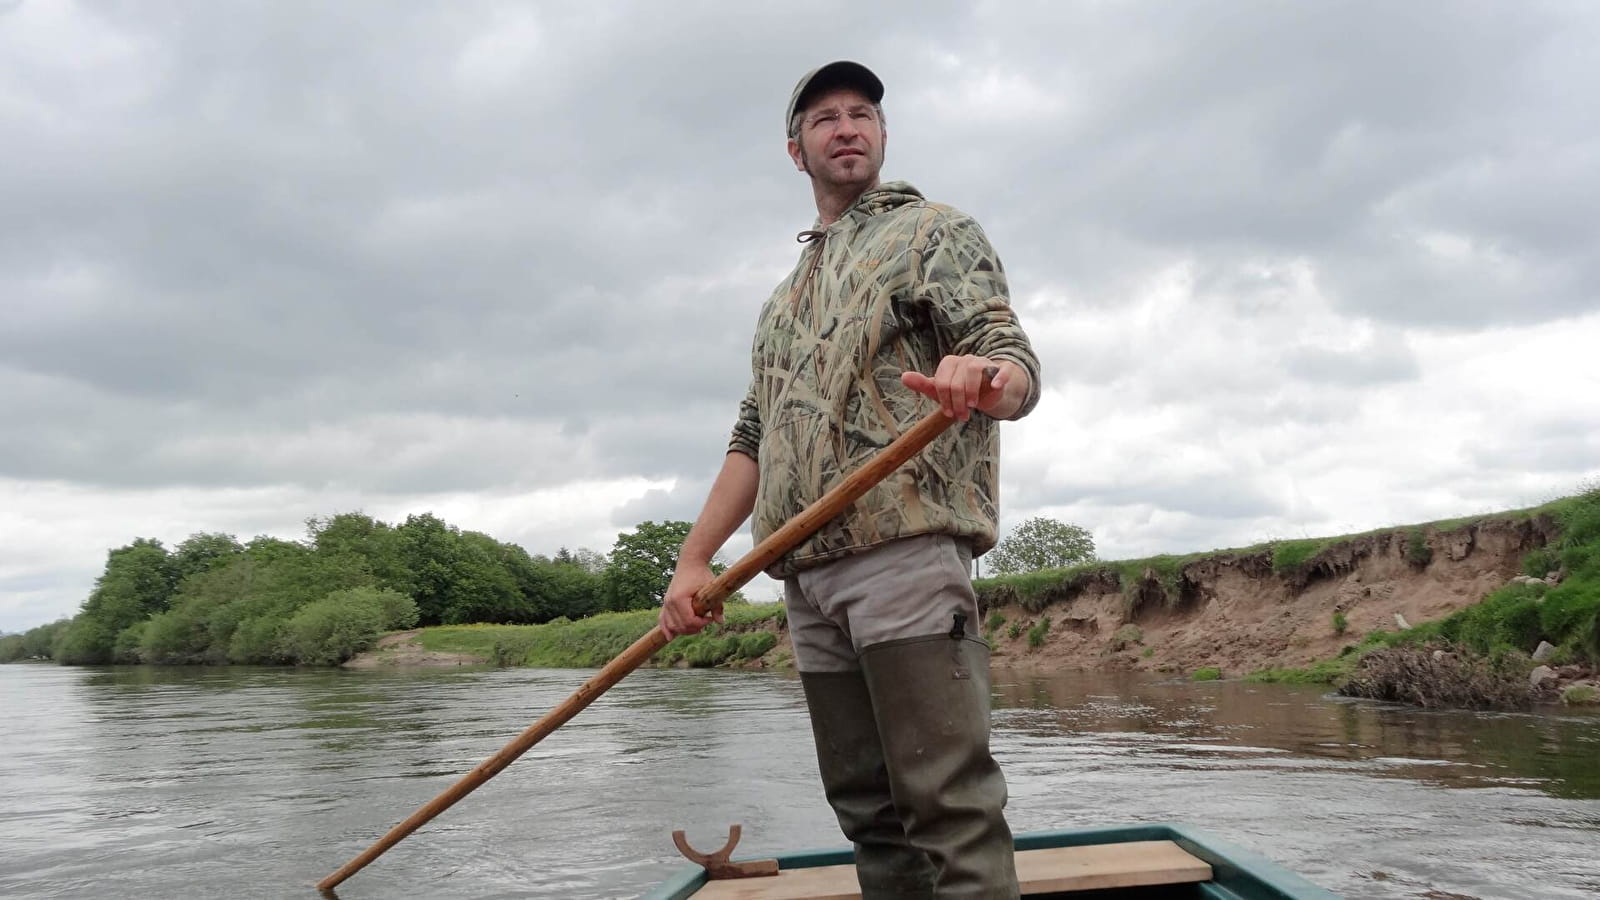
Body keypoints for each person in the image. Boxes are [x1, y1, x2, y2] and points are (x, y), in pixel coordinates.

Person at [660, 60, 1041, 898]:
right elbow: (751, 436)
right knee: (867, 812)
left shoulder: (931, 232)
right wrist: (694, 563)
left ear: (881, 135)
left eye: (862, 113)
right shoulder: (782, 302)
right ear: (795, 151)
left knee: (946, 807)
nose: (846, 126)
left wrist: (986, 382)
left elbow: (1010, 358)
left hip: (903, 555)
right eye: (824, 117)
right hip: (806, 580)